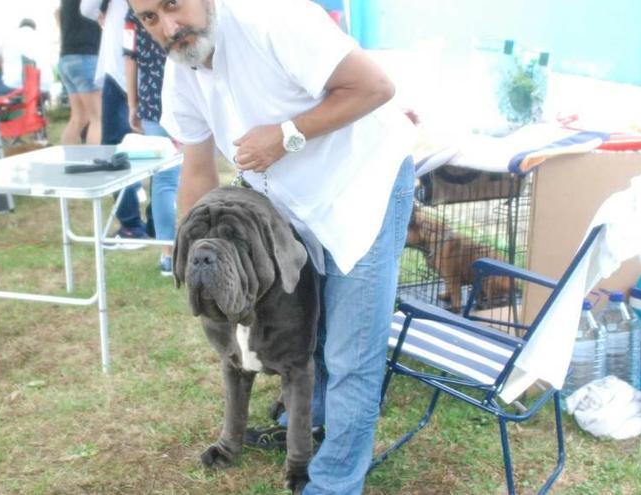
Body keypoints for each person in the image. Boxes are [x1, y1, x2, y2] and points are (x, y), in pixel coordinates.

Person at [127, 0, 415, 493]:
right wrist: (190, 261)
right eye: (150, 18)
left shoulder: (272, 17)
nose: (168, 27)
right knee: (312, 333)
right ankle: (311, 423)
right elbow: (197, 174)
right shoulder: (184, 73)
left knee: (351, 351)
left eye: (172, 5)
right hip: (288, 205)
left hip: (364, 185)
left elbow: (376, 87)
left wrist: (287, 136)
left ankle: (333, 482)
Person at [79, 0, 148, 241]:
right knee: (163, 153)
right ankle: (159, 227)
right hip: (153, 68)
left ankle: (131, 226)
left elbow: (86, 9)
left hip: (121, 71)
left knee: (115, 152)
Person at [124, 6, 179, 275]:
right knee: (197, 170)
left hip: (152, 100)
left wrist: (131, 103)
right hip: (186, 97)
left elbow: (129, 56)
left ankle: (167, 253)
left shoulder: (132, 11)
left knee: (164, 180)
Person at [57, 0, 103, 144]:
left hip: (66, 57)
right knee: (97, 118)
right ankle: (96, 165)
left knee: (79, 117)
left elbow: (57, 13)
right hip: (86, 55)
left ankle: (66, 161)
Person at [0, 19, 54, 96]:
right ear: (34, 28)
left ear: (20, 27)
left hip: (14, 88)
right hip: (43, 88)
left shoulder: (7, 37)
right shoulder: (44, 39)